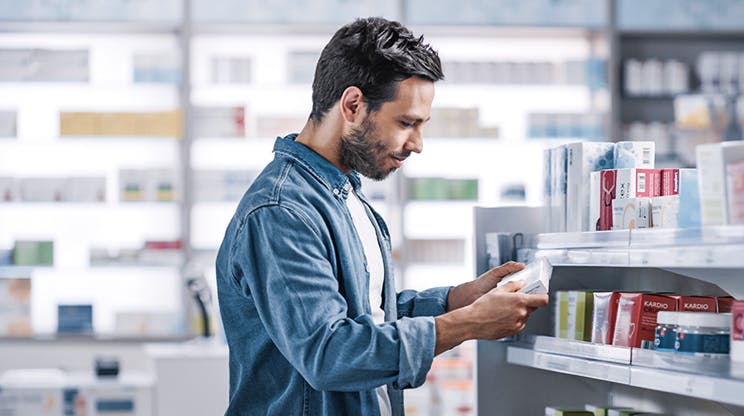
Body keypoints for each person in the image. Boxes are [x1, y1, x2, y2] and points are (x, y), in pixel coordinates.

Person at [215, 17, 548, 415]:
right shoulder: (282, 211)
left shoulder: (346, 197)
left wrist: (458, 301)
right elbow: (329, 352)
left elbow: (367, 318)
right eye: (407, 123)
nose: (418, 144)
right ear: (353, 105)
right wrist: (468, 324)